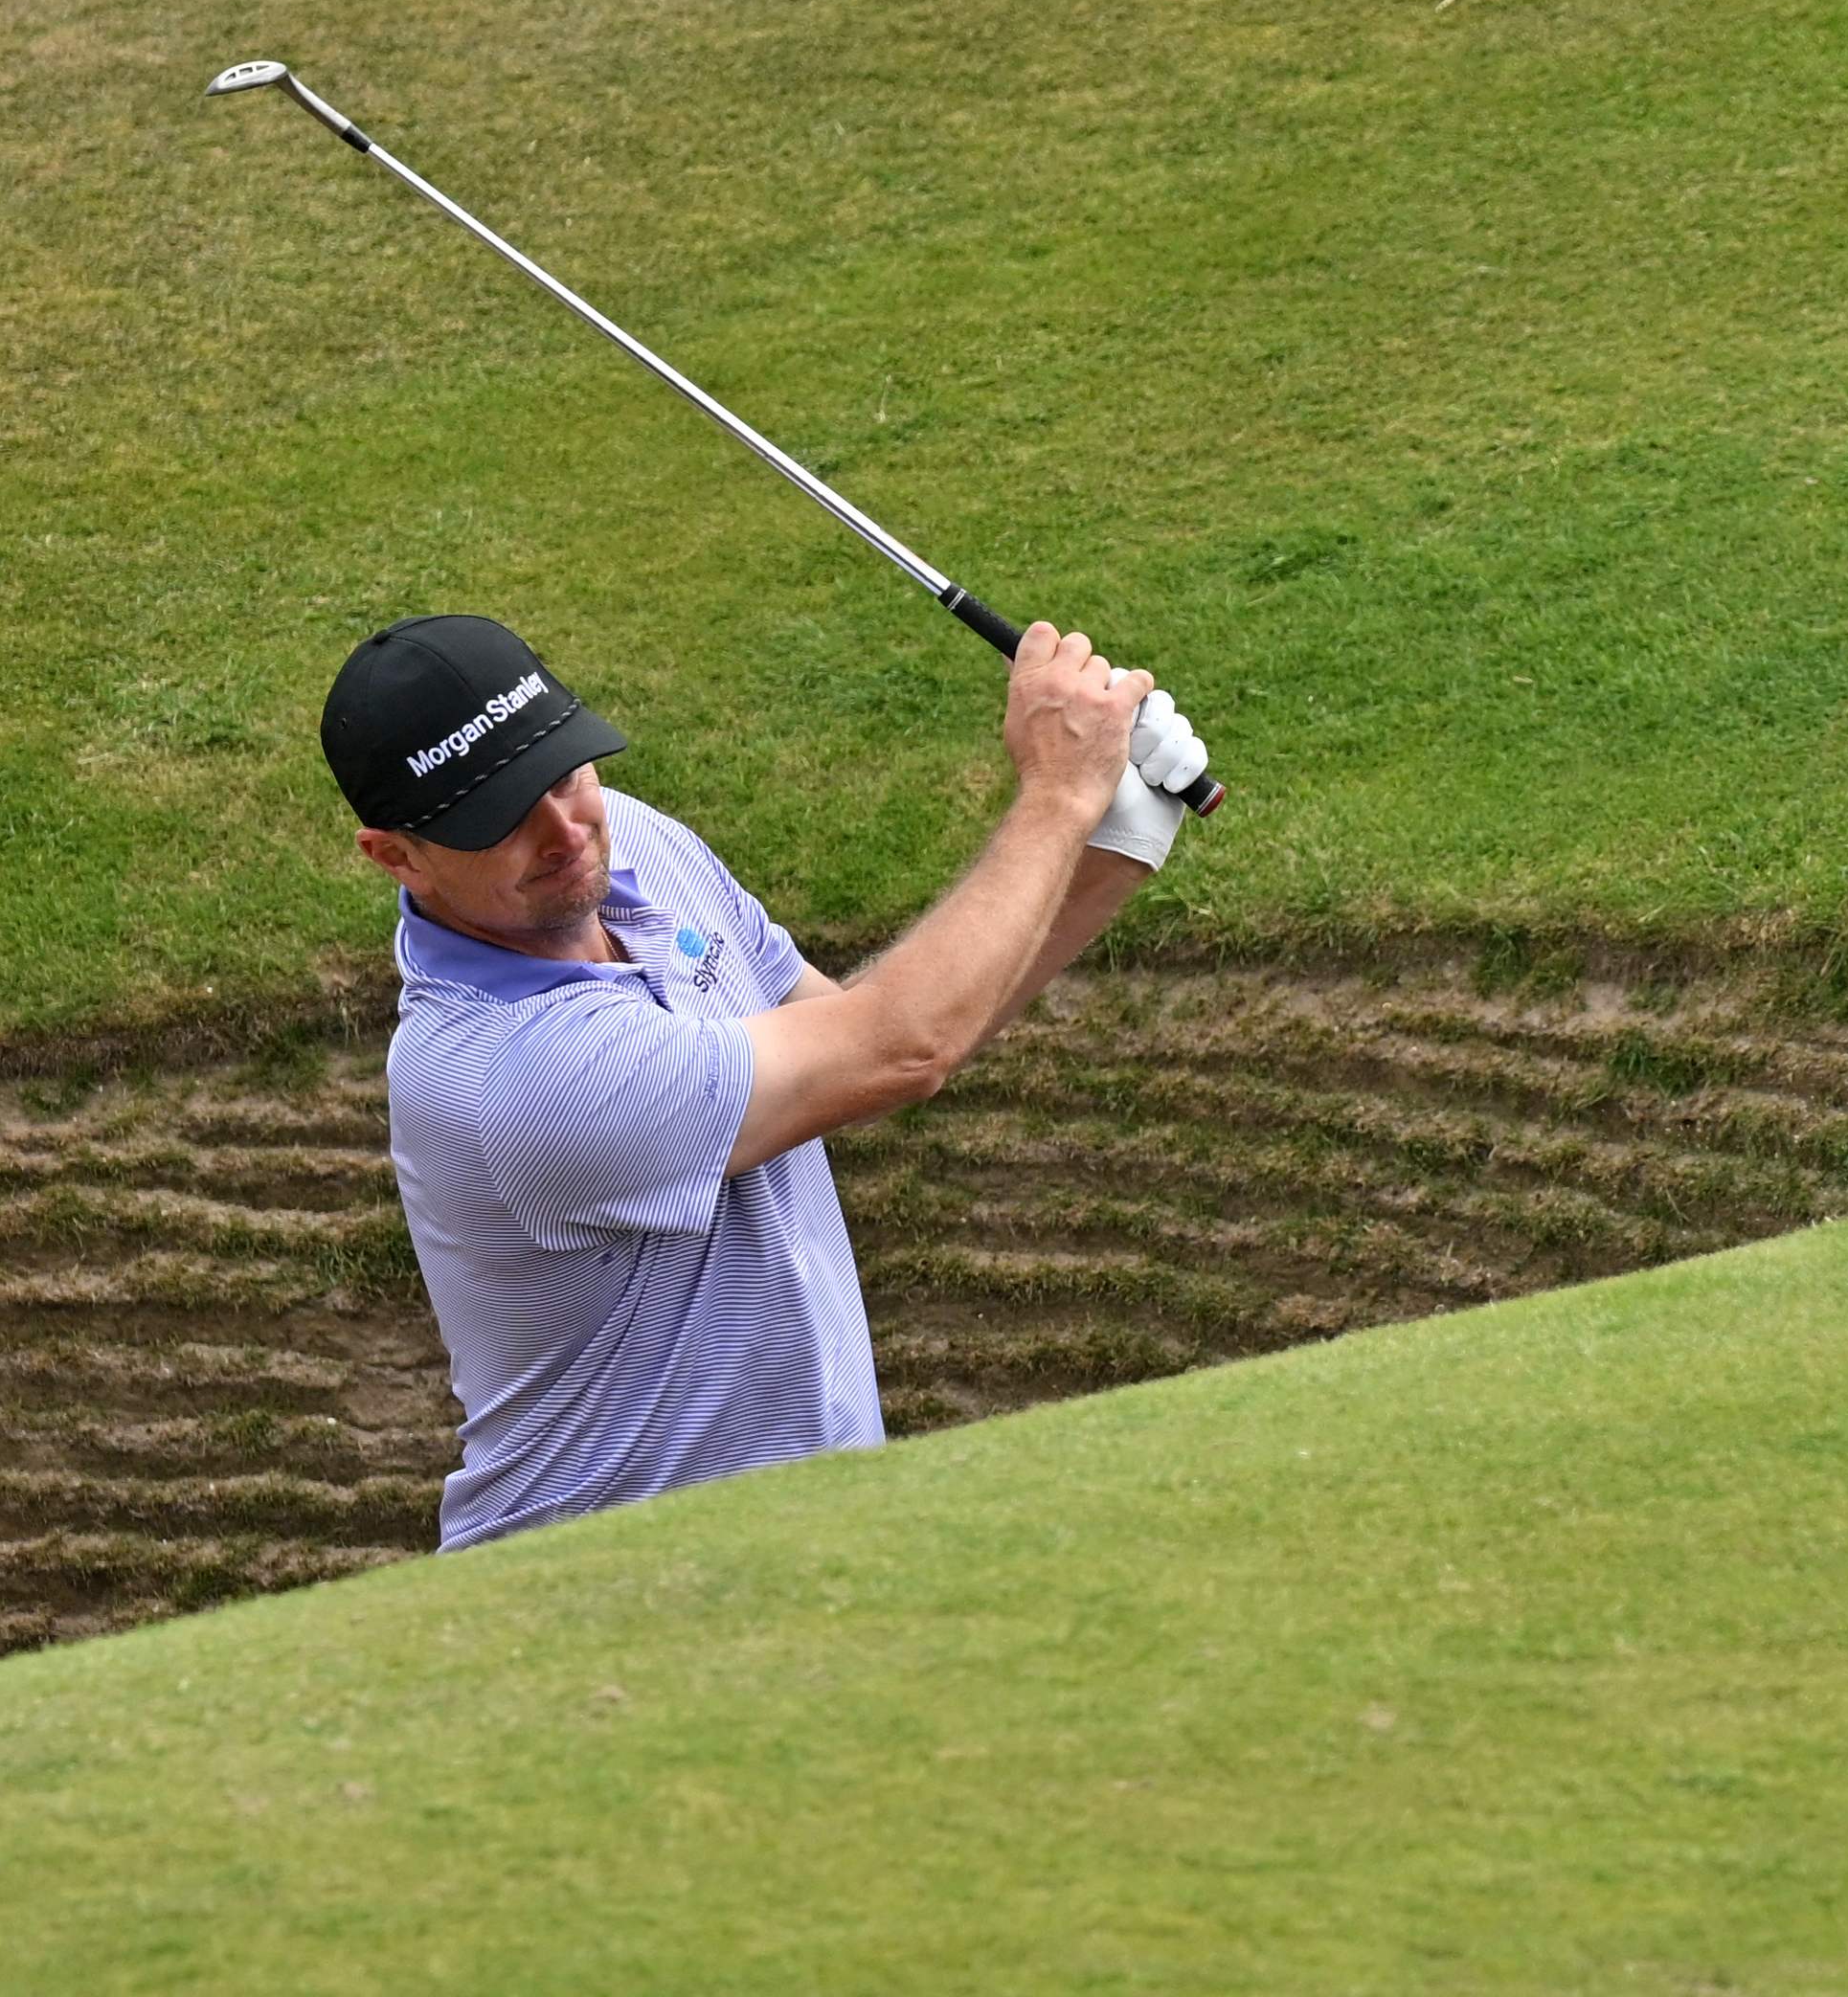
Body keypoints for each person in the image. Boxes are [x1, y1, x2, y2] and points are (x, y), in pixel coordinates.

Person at [315, 611, 1210, 1549]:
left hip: (800, 1537)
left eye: (563, 771)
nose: (563, 832)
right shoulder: (518, 1075)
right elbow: (897, 1045)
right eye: (497, 816)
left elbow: (854, 1032)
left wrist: (1107, 853)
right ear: (396, 855)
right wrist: (1057, 800)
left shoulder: (633, 844)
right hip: (604, 1590)